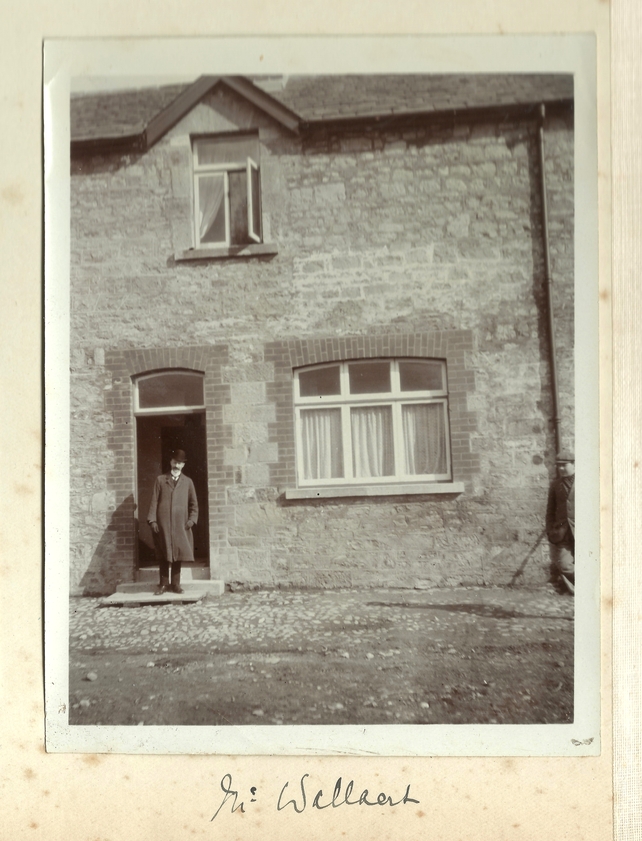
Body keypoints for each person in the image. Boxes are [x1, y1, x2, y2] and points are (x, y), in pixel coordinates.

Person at [147, 448, 198, 595]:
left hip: (181, 525)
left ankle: (176, 585)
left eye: (180, 463)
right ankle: (163, 585)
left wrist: (192, 520)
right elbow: (154, 501)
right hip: (163, 525)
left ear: (183, 466)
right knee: (163, 553)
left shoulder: (188, 482)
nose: (177, 466)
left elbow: (194, 504)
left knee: (178, 554)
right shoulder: (161, 480)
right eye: (175, 462)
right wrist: (152, 520)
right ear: (171, 462)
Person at [546, 450, 575, 593]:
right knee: (564, 566)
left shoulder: (587, 481)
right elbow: (550, 511)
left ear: (574, 464)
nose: (561, 468)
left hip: (585, 531)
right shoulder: (555, 485)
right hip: (563, 532)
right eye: (559, 465)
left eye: (564, 465)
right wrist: (550, 531)